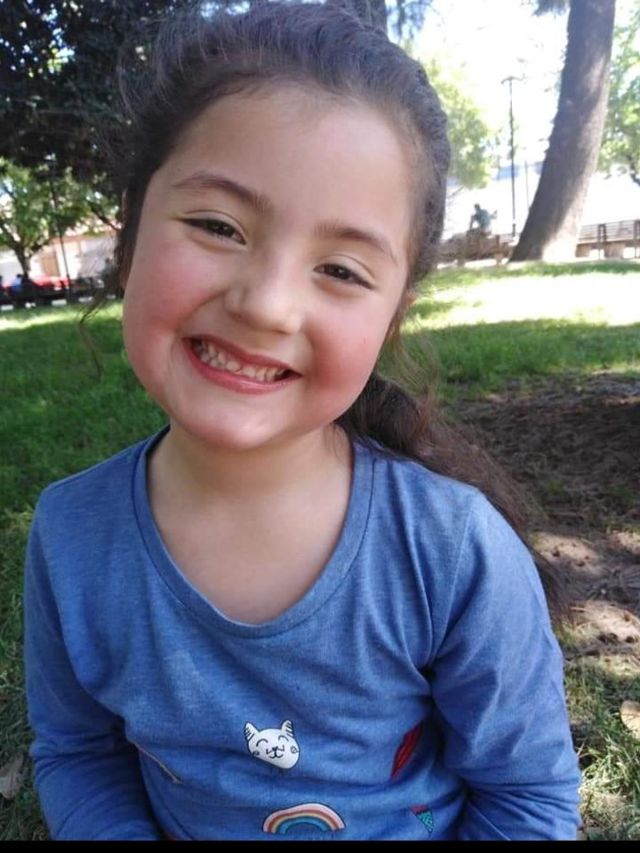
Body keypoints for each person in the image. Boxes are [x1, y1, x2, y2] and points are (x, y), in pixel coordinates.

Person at [23, 1, 581, 842]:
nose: (267, 303)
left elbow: (527, 796)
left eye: (342, 269)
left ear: (393, 314)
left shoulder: (451, 551)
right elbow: (77, 753)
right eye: (218, 226)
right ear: (131, 231)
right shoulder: (71, 534)